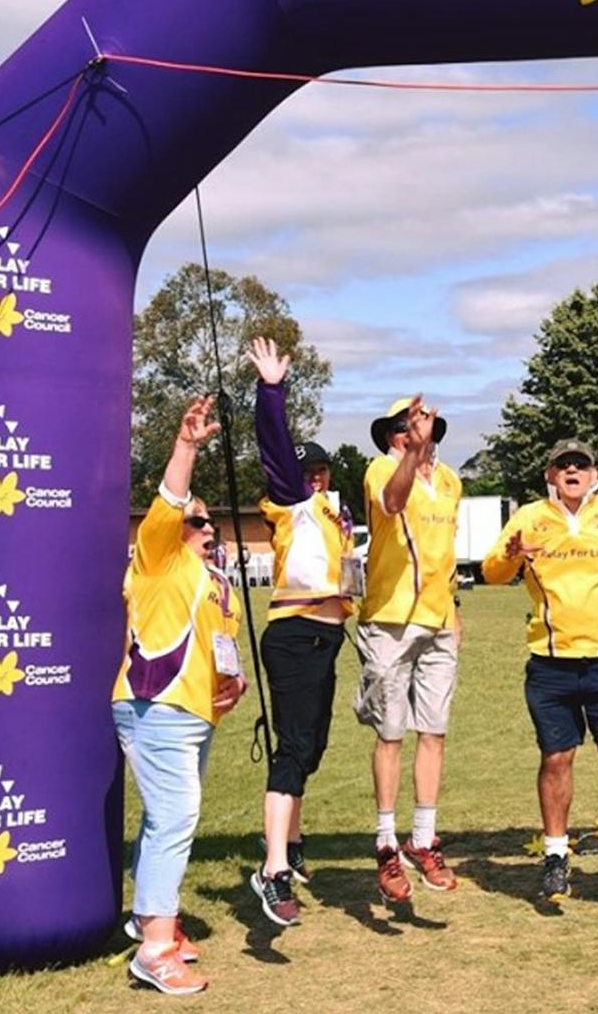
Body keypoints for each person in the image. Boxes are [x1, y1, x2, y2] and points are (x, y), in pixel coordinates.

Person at [481, 440, 598, 904]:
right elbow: (492, 572)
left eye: (581, 464)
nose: (573, 470)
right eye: (564, 464)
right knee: (556, 758)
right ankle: (556, 857)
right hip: (550, 662)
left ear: (594, 472)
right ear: (550, 473)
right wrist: (512, 554)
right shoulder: (529, 515)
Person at [113, 396, 247, 995]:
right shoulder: (158, 558)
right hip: (155, 703)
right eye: (197, 521)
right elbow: (171, 498)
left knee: (165, 818)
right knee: (175, 817)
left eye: (211, 522)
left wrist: (234, 680)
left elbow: (225, 646)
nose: (206, 528)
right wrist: (186, 447)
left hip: (196, 711)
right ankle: (155, 947)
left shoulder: (218, 581)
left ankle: (148, 920)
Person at [245, 337, 360, 926]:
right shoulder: (289, 503)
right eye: (306, 470)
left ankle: (292, 844)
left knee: (311, 747)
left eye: (320, 469)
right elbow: (272, 448)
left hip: (327, 637)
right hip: (293, 634)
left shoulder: (334, 519)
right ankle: (272, 870)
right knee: (292, 750)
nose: (313, 478)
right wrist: (272, 389)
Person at [356, 395, 462, 903]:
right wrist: (409, 457)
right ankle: (385, 843)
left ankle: (424, 839)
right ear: (392, 435)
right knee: (391, 733)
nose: (414, 432)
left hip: (439, 622)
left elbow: (444, 557)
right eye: (404, 426)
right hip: (390, 621)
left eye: (422, 425)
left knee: (434, 732)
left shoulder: (451, 482)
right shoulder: (381, 469)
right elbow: (393, 503)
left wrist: (455, 616)